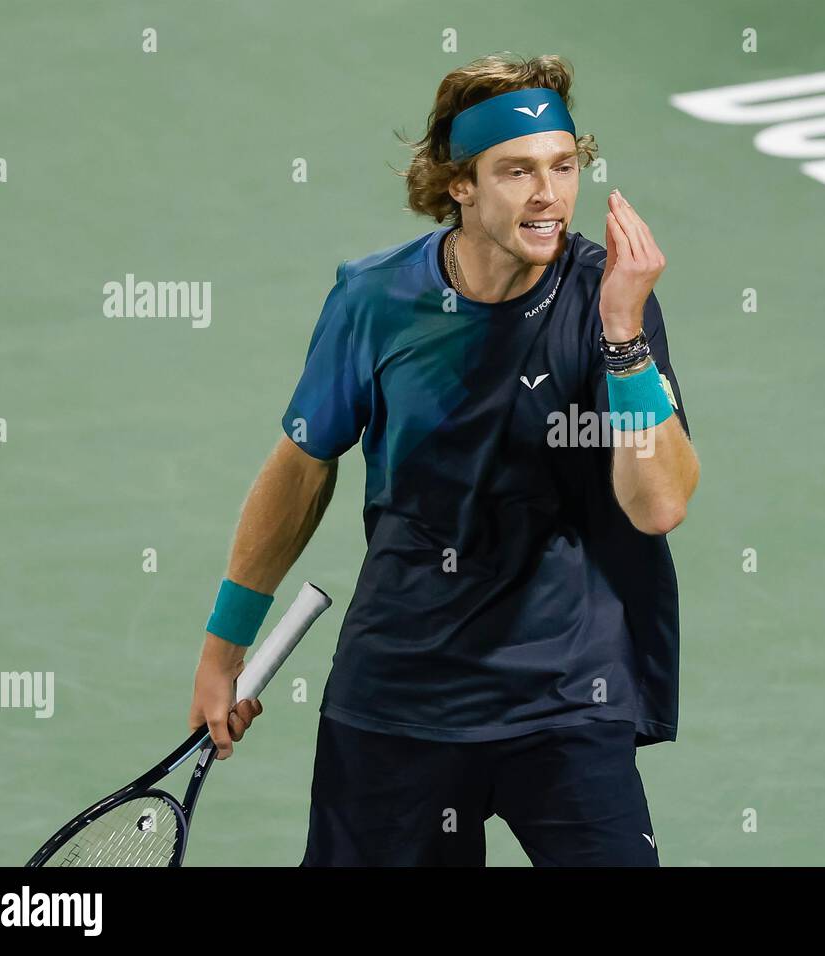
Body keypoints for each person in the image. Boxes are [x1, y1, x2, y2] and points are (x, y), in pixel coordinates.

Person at [188, 52, 699, 866]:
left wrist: (625, 339)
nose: (550, 193)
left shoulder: (610, 300)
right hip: (399, 696)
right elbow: (303, 465)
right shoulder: (374, 300)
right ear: (459, 184)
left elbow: (659, 504)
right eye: (517, 171)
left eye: (565, 166)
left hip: (565, 693)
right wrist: (225, 647)